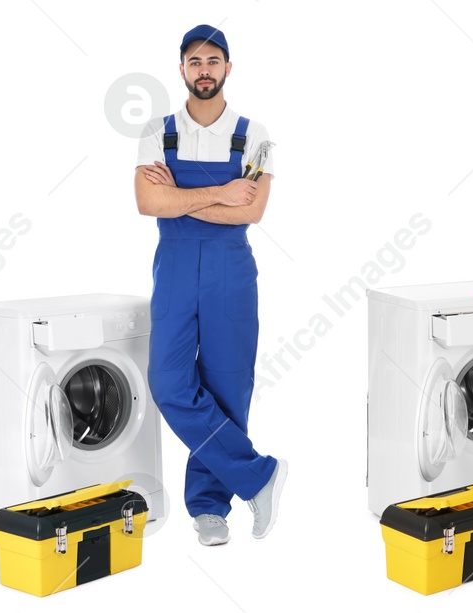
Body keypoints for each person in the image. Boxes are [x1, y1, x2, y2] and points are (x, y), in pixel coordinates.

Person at [134, 25, 289, 546]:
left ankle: (209, 509)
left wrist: (182, 194)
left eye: (213, 61)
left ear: (228, 68)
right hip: (174, 266)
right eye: (194, 61)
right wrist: (222, 192)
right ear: (181, 69)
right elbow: (148, 204)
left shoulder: (255, 134)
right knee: (169, 383)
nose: (204, 69)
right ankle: (258, 475)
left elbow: (254, 211)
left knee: (227, 387)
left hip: (230, 268)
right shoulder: (158, 132)